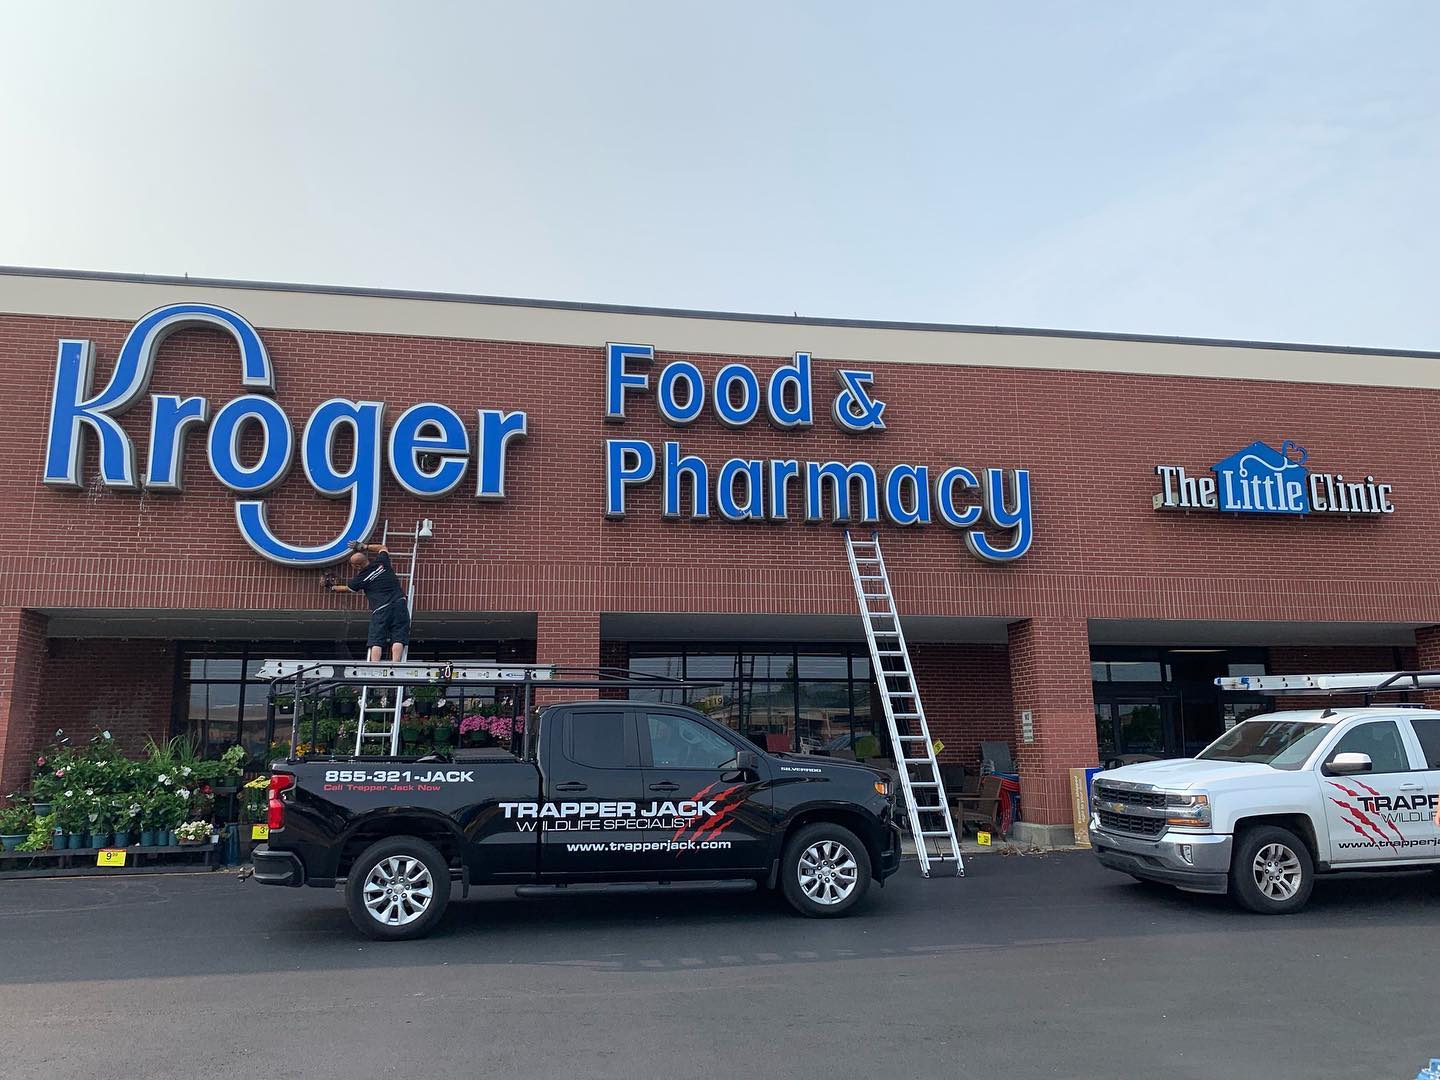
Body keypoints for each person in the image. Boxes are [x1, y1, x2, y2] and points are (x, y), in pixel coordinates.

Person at [323, 540, 410, 661]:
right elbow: (383, 548)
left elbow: (347, 588)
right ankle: (395, 665)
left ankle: (374, 666)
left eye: (353, 566)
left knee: (377, 639)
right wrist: (364, 546)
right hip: (399, 603)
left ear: (357, 566)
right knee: (399, 636)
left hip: (381, 609)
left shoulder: (360, 579)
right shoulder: (382, 562)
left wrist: (331, 587)